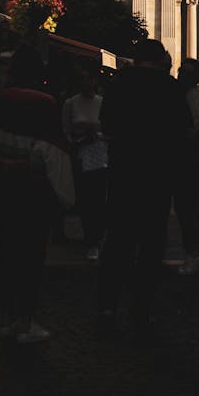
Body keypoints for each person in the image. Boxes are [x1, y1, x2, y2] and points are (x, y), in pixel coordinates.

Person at [97, 39, 190, 340]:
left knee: (117, 242)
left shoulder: (118, 85)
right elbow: (183, 131)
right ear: (160, 58)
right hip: (157, 176)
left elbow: (106, 125)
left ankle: (108, 306)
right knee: (151, 245)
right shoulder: (171, 88)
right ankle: (142, 309)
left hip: (124, 173)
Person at [0, 45, 75, 344]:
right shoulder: (44, 103)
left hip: (3, 186)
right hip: (33, 188)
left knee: (8, 252)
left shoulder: (0, 100)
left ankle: (10, 318)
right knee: (31, 254)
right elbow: (54, 147)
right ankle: (26, 321)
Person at [62, 69, 109, 261]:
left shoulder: (102, 102)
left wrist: (97, 135)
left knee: (101, 199)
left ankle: (97, 236)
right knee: (87, 200)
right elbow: (65, 131)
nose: (87, 82)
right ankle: (91, 239)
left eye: (89, 78)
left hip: (102, 156)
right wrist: (78, 139)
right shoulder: (70, 104)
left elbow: (109, 129)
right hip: (81, 157)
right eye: (83, 79)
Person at [173, 58, 199, 275]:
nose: (181, 76)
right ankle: (193, 250)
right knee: (185, 207)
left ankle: (194, 251)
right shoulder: (180, 94)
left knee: (187, 207)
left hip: (186, 159)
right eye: (180, 71)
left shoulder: (193, 96)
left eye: (185, 73)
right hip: (182, 158)